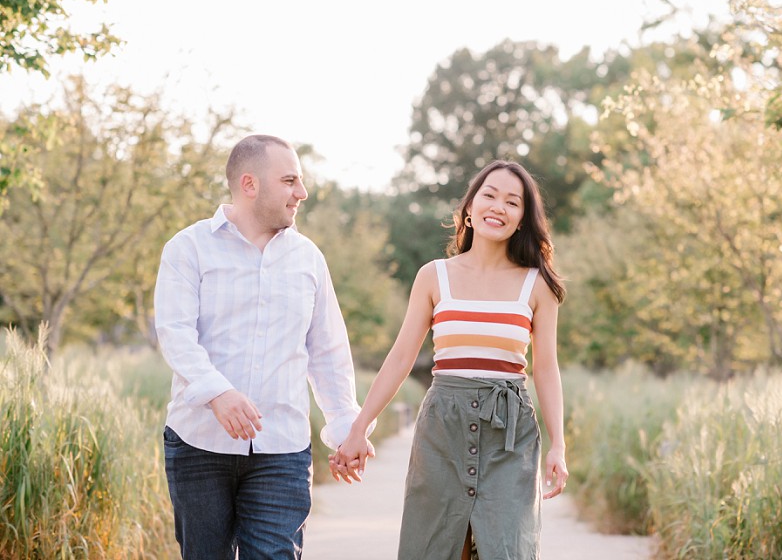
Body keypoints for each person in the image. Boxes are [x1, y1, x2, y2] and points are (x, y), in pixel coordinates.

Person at [332, 159, 569, 559]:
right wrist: (359, 428)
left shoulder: (538, 285)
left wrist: (558, 445)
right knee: (433, 547)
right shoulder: (433, 276)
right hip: (443, 430)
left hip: (510, 436)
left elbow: (546, 368)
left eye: (512, 202)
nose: (499, 207)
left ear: (522, 219)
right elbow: (401, 356)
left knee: (509, 549)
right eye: (489, 196)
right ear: (470, 209)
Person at [154, 134, 373, 559]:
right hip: (198, 444)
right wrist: (218, 392)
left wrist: (347, 428)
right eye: (290, 181)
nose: (302, 193)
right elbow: (176, 333)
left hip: (283, 450)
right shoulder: (188, 248)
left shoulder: (309, 259)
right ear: (249, 184)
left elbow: (327, 351)